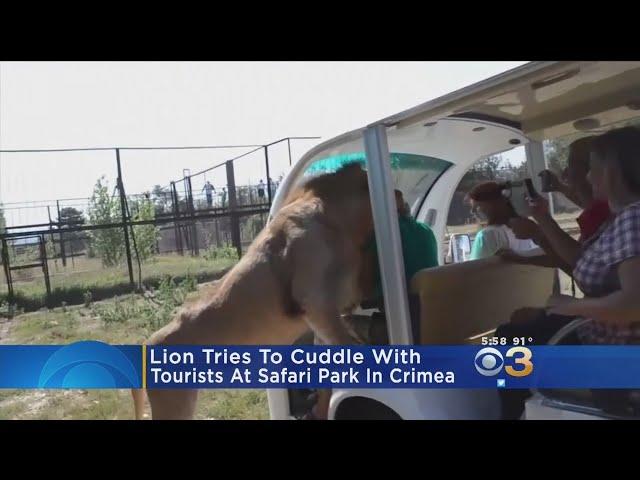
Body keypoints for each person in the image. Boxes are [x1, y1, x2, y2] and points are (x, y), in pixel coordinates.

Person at [497, 126, 640, 419]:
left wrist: (570, 305)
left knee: (508, 345)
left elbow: (633, 304)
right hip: (598, 341)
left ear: (611, 172)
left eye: (593, 168)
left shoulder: (632, 218)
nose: (587, 177)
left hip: (612, 363)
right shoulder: (622, 217)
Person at [306, 189, 439, 420]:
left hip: (399, 331)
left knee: (325, 332)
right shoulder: (425, 232)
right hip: (432, 321)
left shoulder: (377, 237)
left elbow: (361, 294)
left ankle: (323, 407)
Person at [466, 181, 538, 260]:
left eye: (477, 206)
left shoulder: (486, 235)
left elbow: (475, 268)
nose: (472, 211)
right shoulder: (526, 228)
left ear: (491, 205)